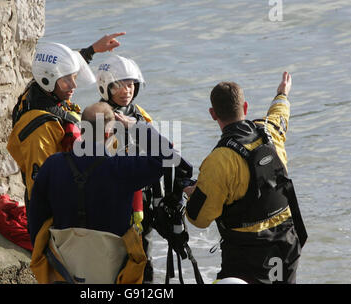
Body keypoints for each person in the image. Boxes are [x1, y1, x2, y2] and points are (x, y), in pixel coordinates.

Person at [27, 102, 178, 284]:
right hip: (112, 267)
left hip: (64, 264)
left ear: (82, 128)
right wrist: (138, 127)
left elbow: (36, 217)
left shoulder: (52, 165)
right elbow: (168, 154)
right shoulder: (121, 168)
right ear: (109, 133)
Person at [184, 72, 307, 284]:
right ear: (246, 107)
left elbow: (200, 219)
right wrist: (282, 94)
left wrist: (191, 195)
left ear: (213, 114)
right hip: (287, 242)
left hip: (247, 255)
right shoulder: (270, 132)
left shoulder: (218, 161)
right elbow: (280, 115)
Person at [7, 33, 125, 216]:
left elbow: (61, 66)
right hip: (57, 214)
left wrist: (92, 50)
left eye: (75, 77)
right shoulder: (39, 129)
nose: (73, 86)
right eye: (66, 81)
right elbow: (41, 187)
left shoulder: (41, 89)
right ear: (48, 81)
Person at [96, 55, 160, 282]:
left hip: (143, 200)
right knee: (115, 260)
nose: (127, 90)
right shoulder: (97, 117)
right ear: (106, 86)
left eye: (131, 84)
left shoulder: (141, 115)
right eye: (119, 85)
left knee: (144, 258)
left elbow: (160, 150)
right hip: (113, 201)